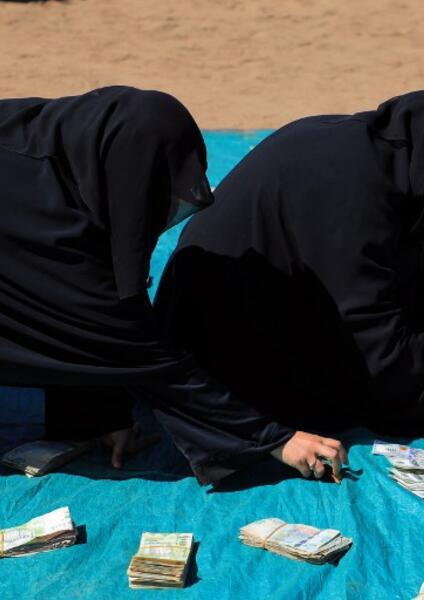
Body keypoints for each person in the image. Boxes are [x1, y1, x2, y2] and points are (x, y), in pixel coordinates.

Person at [154, 84, 424, 437]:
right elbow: (370, 341)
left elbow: (397, 282)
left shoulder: (384, 155)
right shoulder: (359, 197)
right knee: (389, 400)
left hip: (250, 294)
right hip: (217, 341)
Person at [0, 86, 346, 483]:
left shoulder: (66, 154)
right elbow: (127, 339)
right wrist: (275, 440)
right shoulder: (44, 223)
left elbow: (68, 318)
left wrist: (99, 416)